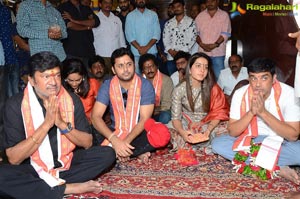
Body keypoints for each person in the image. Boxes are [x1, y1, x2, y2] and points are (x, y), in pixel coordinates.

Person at [0, 51, 116, 198]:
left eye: (57, 75)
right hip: (31, 168)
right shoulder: (15, 105)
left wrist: (61, 124)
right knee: (2, 176)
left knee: (107, 154)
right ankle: (67, 188)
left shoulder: (72, 100)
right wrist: (46, 125)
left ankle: (42, 187)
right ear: (32, 80)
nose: (54, 82)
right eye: (46, 76)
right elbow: (14, 158)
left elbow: (87, 142)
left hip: (65, 163)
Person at [212, 58, 300, 184]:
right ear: (249, 79)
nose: (257, 84)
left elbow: (293, 135)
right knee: (217, 144)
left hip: (281, 143)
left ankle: (260, 163)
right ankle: (278, 168)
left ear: (274, 79)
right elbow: (232, 132)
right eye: (253, 78)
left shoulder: (289, 94)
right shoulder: (240, 94)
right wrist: (251, 112)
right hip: (250, 141)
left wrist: (263, 112)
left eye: (264, 78)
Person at [91, 47, 170, 164]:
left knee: (162, 134)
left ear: (134, 65)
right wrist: (115, 140)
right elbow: (95, 116)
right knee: (94, 128)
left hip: (138, 132)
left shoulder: (145, 85)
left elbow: (144, 119)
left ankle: (119, 152)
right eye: (120, 66)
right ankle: (135, 152)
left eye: (129, 64)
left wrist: (124, 143)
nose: (126, 69)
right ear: (113, 69)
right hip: (115, 131)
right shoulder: (107, 85)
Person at [169, 52, 229, 153]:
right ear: (190, 69)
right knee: (166, 132)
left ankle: (193, 146)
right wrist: (183, 132)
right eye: (198, 66)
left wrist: (208, 131)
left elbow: (219, 113)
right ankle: (206, 146)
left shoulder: (213, 88)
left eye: (206, 67)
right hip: (186, 124)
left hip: (208, 123)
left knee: (229, 127)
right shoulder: (179, 89)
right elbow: (176, 118)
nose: (202, 70)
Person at [195, 0, 231, 79]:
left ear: (217, 1)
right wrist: (202, 45)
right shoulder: (200, 16)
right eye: (207, 1)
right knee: (202, 78)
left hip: (218, 54)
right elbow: (195, 34)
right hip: (202, 53)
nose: (210, 3)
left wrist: (215, 45)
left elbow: (225, 34)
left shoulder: (224, 15)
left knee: (219, 79)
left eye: (212, 1)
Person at [58, 0, 100, 67]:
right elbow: (69, 25)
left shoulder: (85, 7)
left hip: (88, 50)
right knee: (73, 76)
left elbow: (96, 22)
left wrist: (73, 20)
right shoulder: (63, 7)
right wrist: (87, 27)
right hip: (72, 51)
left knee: (89, 76)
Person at [125, 0, 161, 74]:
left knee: (153, 77)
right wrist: (139, 48)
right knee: (138, 79)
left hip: (151, 53)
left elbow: (156, 34)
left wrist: (146, 48)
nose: (141, 0)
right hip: (136, 54)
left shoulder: (153, 15)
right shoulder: (130, 16)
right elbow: (129, 35)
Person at [163, 0, 197, 76]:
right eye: (174, 7)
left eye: (178, 6)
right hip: (171, 57)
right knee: (173, 79)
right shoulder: (168, 23)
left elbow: (192, 39)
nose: (176, 9)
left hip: (185, 58)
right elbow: (165, 39)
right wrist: (171, 51)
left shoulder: (191, 22)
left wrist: (180, 54)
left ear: (184, 7)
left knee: (186, 79)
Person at [62, 58, 100, 124]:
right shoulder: (61, 88)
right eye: (70, 80)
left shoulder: (93, 84)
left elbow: (101, 105)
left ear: (83, 77)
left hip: (91, 123)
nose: (74, 84)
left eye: (78, 80)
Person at [139, 53, 173, 124]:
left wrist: (154, 110)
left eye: (152, 66)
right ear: (142, 70)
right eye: (146, 68)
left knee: (166, 116)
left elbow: (167, 103)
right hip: (144, 111)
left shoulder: (166, 80)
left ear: (157, 67)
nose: (149, 70)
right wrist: (148, 112)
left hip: (161, 111)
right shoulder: (138, 81)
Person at [93, 0, 126, 69]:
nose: (108, 5)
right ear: (100, 4)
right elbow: (92, 38)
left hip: (116, 56)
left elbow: (121, 37)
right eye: (105, 2)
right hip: (100, 55)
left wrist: (123, 53)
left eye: (110, 3)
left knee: (116, 78)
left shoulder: (117, 19)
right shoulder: (94, 19)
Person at [1, 2, 19, 98]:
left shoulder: (7, 11)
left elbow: (11, 32)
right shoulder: (7, 10)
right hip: (6, 56)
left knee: (11, 91)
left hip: (10, 55)